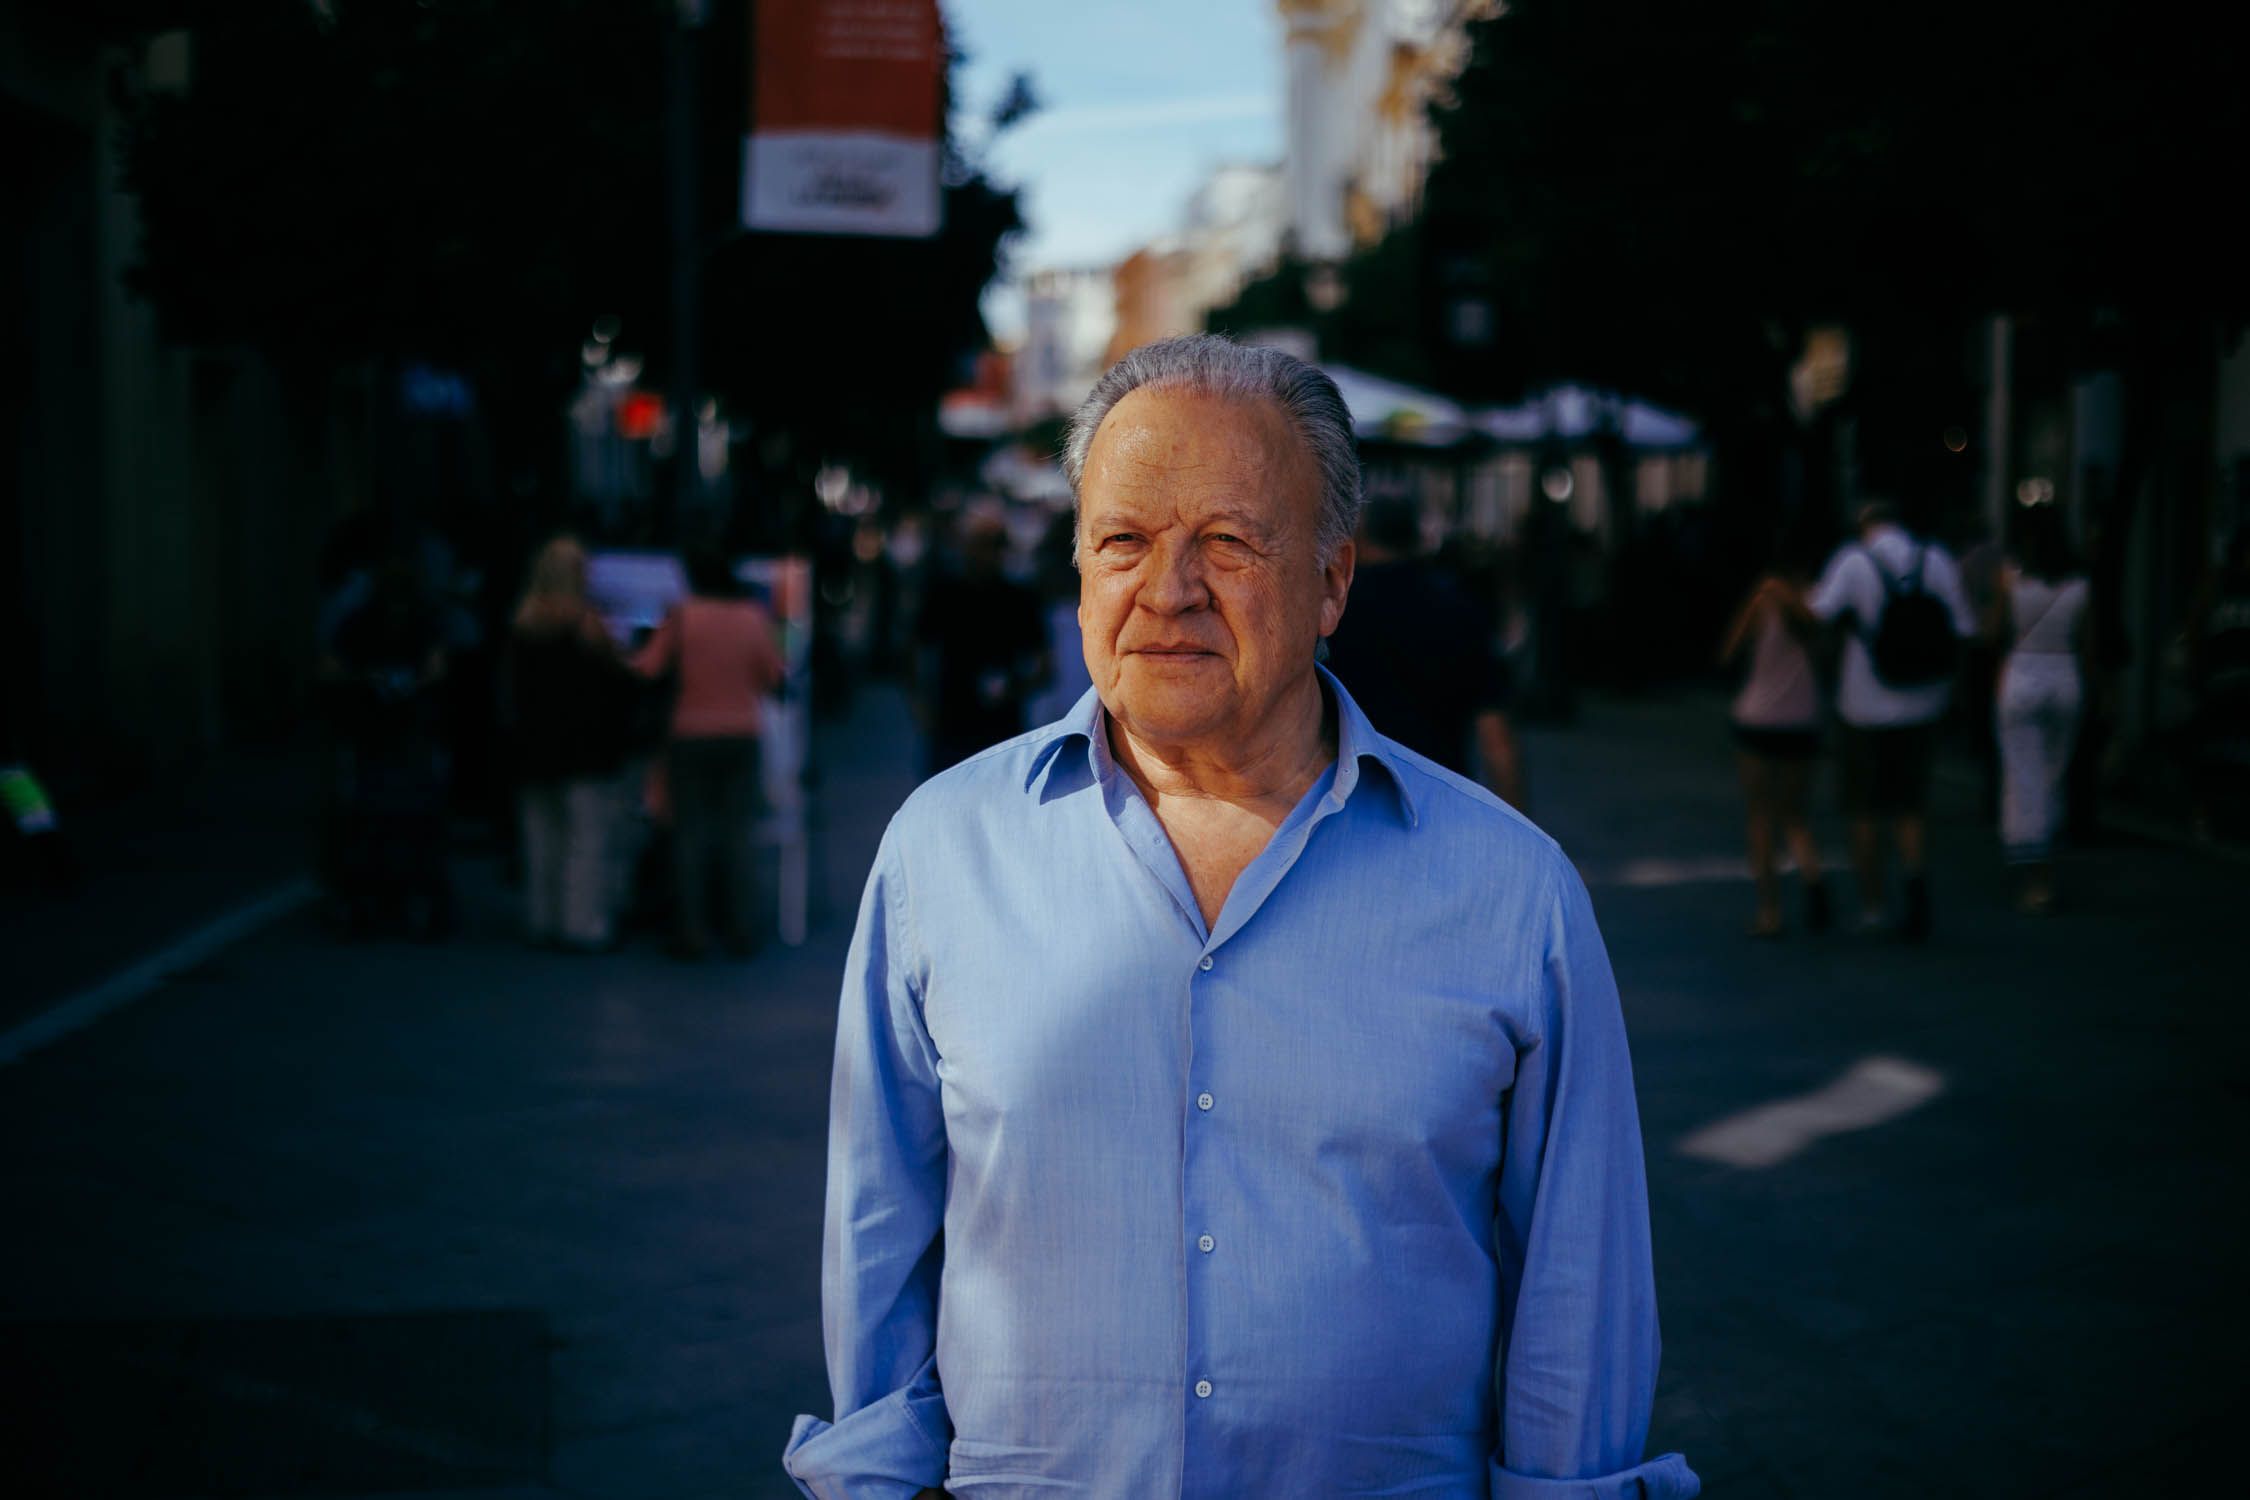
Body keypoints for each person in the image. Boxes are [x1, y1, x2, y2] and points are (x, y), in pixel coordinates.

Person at [785, 335, 1695, 1500]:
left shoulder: (1513, 894)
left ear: (1332, 582)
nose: (1168, 591)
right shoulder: (943, 852)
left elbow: (1578, 1291)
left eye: (1228, 542)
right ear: (1078, 569)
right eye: (1123, 541)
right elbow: (879, 1238)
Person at [1807, 500, 1976, 939]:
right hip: (1924, 701)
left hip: (1862, 705)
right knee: (1911, 804)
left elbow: (1818, 613)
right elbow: (1963, 627)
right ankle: (1915, 887)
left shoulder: (1852, 560)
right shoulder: (1935, 558)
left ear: (1864, 525)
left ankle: (1873, 904)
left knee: (1863, 808)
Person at [631, 544, 784, 959]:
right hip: (741, 733)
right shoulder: (752, 616)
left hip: (689, 733)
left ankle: (691, 932)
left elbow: (647, 667)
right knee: (738, 832)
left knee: (689, 834)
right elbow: (773, 675)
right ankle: (740, 928)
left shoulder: (682, 616)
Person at [1323, 496, 1525, 807]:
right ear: (1416, 536)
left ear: (1361, 534)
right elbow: (1496, 736)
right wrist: (1515, 819)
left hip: (1353, 796)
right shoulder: (1458, 607)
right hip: (1443, 795)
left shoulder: (1336, 613)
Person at [504, 535, 631, 950]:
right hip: (584, 744)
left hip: (534, 743)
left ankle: (543, 918)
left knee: (540, 837)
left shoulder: (522, 621)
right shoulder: (587, 623)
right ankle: (582, 922)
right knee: (585, 838)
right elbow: (617, 675)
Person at [1717, 539, 1829, 937]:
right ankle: (1812, 873)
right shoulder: (1819, 601)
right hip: (1803, 718)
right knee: (1796, 813)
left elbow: (1728, 651)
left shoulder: (1764, 599)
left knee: (1761, 816)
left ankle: (1770, 911)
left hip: (1760, 718)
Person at [913, 504, 1046, 773]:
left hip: (1003, 731)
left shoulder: (1018, 599)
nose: (985, 554)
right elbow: (914, 649)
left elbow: (1044, 664)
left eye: (993, 545)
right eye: (978, 545)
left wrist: (1015, 690)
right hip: (951, 725)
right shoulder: (945, 595)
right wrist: (920, 703)